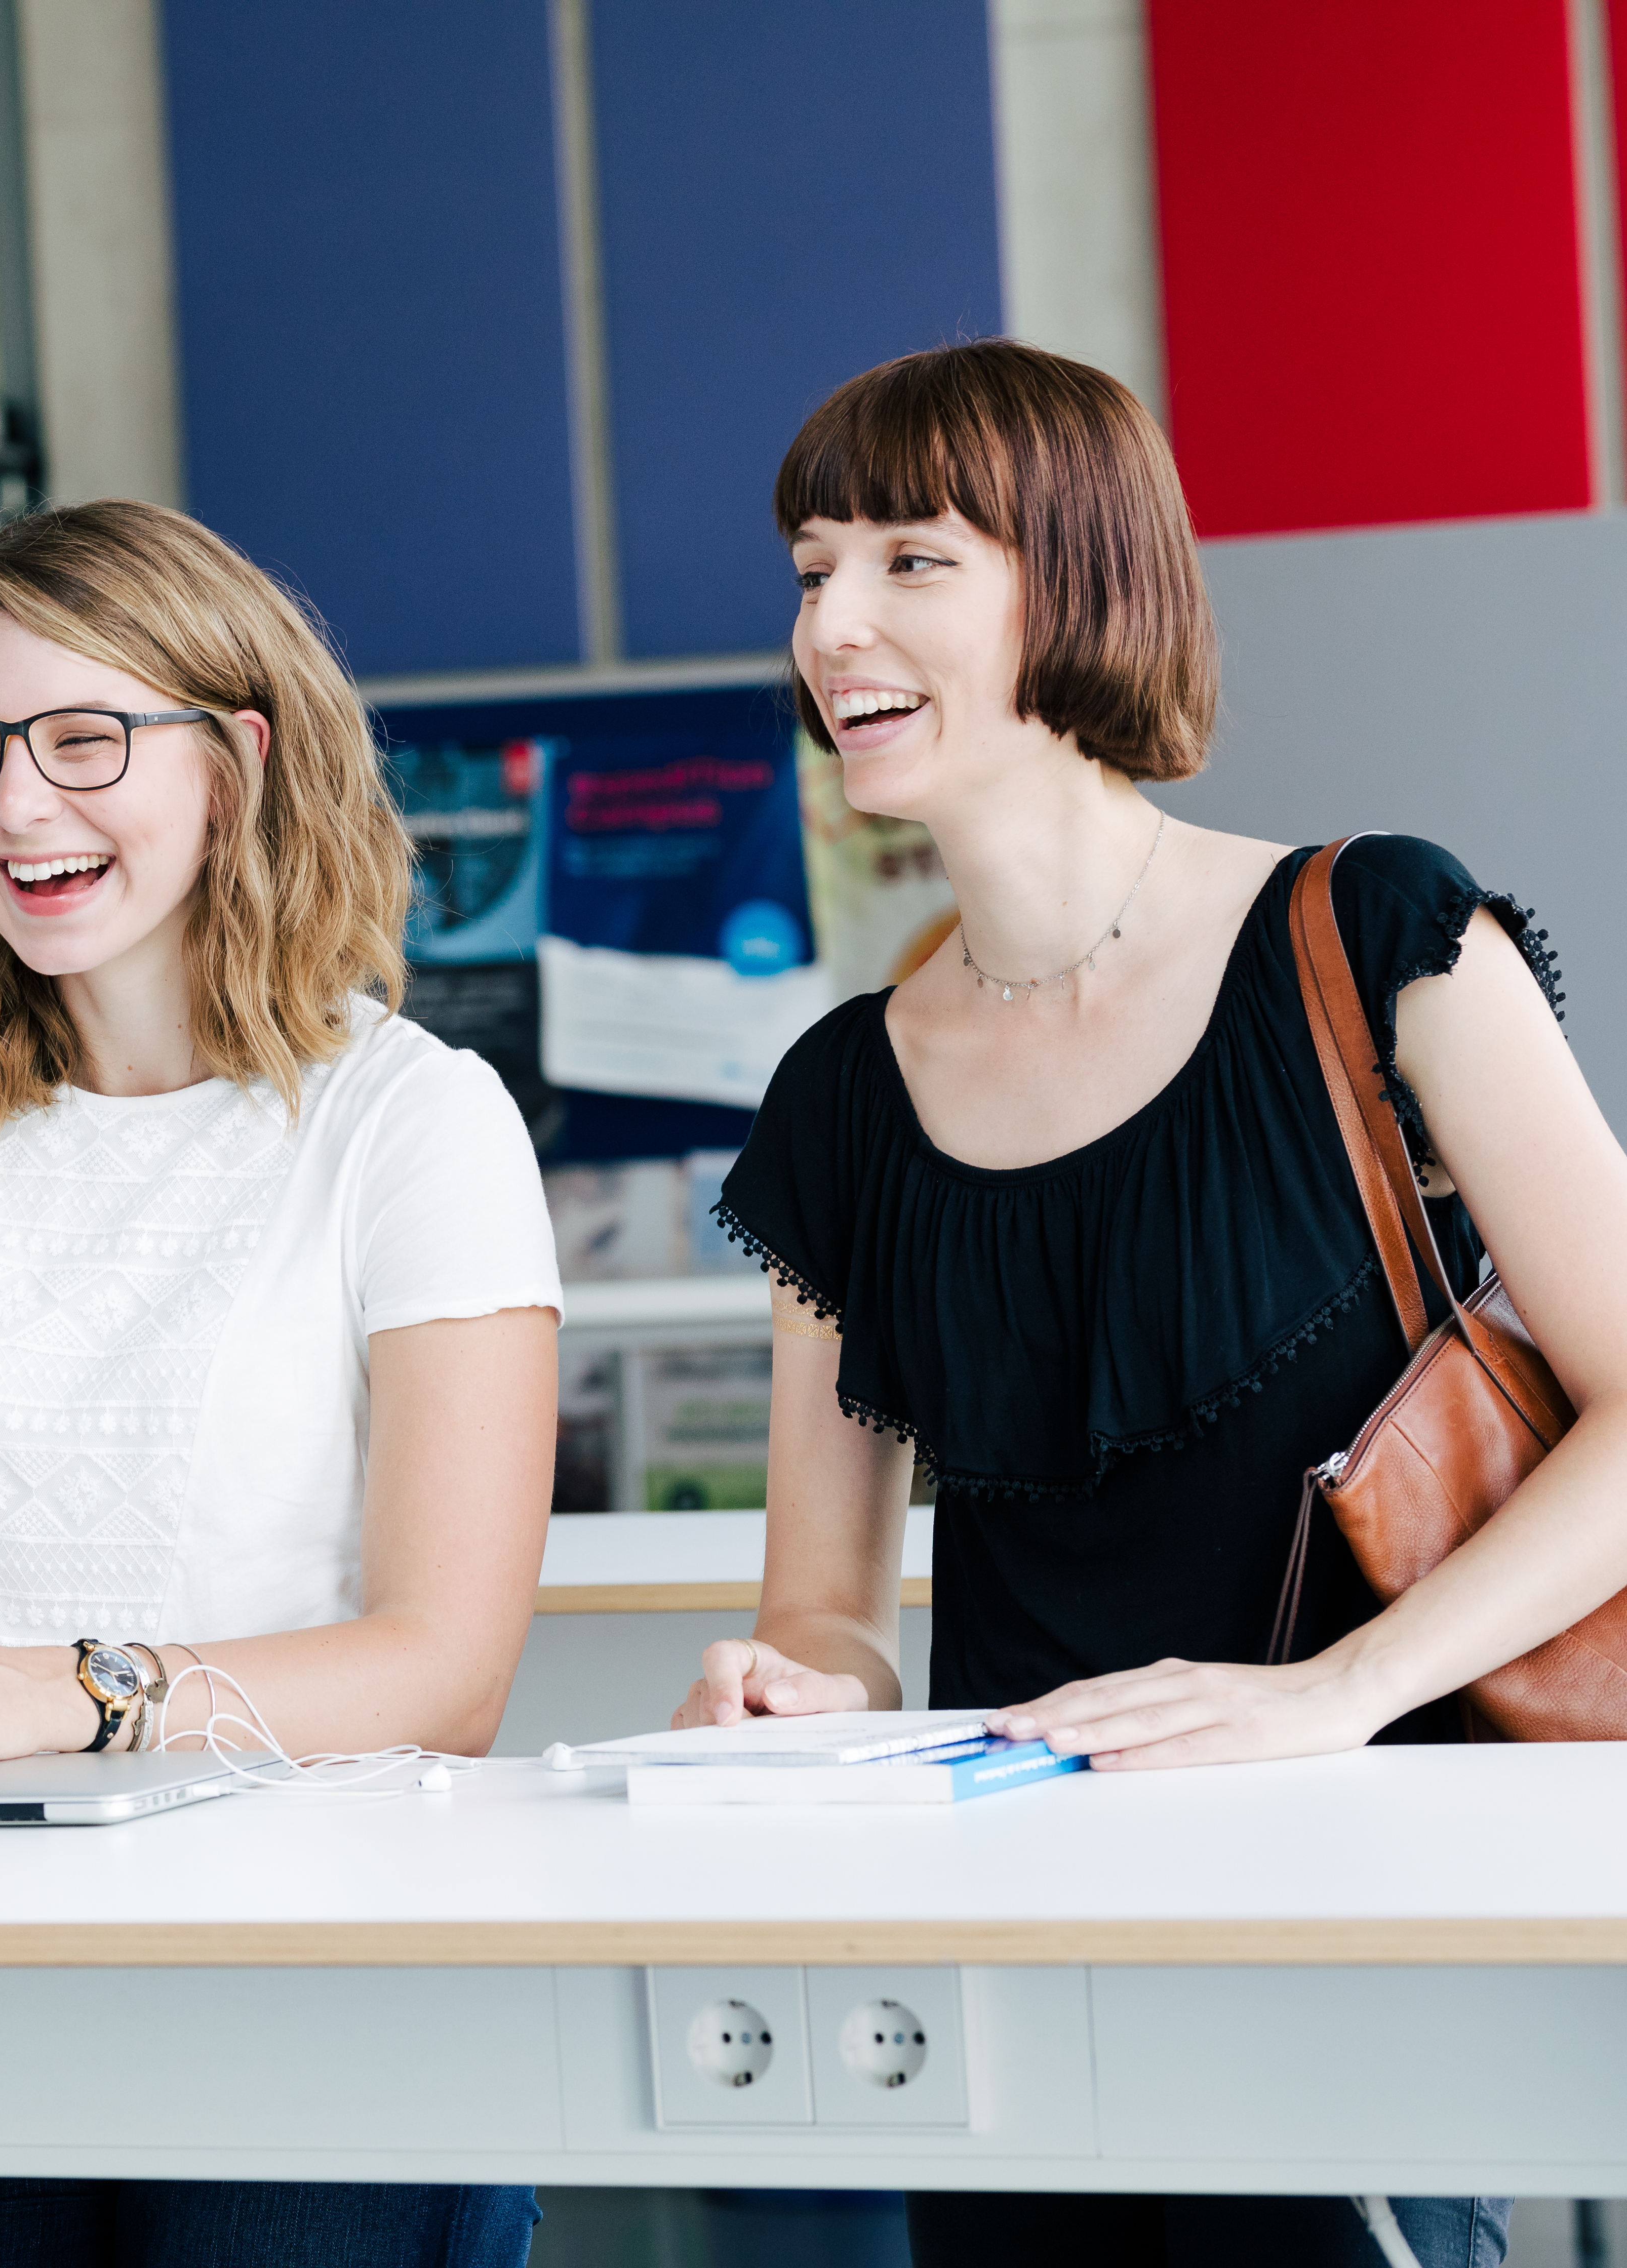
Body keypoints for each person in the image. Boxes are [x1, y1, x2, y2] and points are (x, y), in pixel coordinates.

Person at [682, 338, 1627, 2266]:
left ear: (1086, 579)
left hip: (1360, 1918)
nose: (831, 625)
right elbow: (833, 1613)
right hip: (1016, 1963)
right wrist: (786, 1693)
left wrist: (1330, 1702)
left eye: (908, 563)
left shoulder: (1374, 936)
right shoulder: (840, 1100)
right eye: (808, 572)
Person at [0, 500, 562, 2266]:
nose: (18, 806)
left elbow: (445, 1670)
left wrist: (55, 1695)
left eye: (86, 739)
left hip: (332, 1990)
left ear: (235, 764)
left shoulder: (411, 1124)